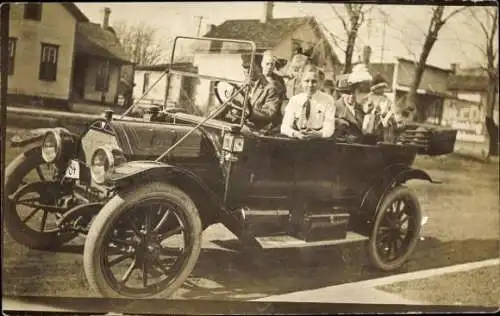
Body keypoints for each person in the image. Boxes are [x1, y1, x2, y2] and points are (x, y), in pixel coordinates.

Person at [228, 54, 286, 133]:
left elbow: (270, 113)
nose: (248, 71)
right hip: (238, 124)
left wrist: (249, 112)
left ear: (259, 68)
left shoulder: (271, 88)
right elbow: (230, 104)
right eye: (245, 67)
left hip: (258, 129)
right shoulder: (240, 86)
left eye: (251, 68)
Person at [280, 66, 336, 139]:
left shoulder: (328, 100)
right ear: (301, 82)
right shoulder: (295, 100)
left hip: (319, 140)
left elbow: (329, 127)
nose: (310, 85)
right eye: (307, 81)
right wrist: (296, 134)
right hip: (297, 138)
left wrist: (319, 134)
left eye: (314, 81)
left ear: (320, 82)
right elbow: (284, 127)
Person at [333, 65, 372, 139]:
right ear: (342, 94)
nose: (351, 96)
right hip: (342, 147)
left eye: (353, 92)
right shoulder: (334, 107)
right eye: (348, 93)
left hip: (360, 148)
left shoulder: (361, 108)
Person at [361, 74, 399, 142]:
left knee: (388, 123)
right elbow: (365, 109)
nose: (382, 90)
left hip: (383, 122)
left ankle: (386, 140)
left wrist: (388, 114)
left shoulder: (386, 98)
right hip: (371, 122)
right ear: (375, 88)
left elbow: (391, 109)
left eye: (383, 88)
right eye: (380, 88)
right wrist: (370, 108)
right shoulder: (369, 97)